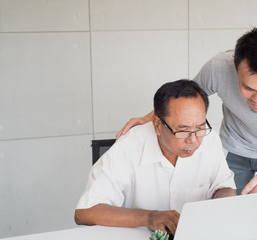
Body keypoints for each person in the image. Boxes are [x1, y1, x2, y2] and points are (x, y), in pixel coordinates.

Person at [116, 27, 257, 198]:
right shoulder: (219, 67)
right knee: (228, 215)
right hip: (233, 149)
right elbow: (184, 101)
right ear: (235, 66)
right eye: (249, 88)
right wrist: (150, 118)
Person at [75, 80, 236, 236]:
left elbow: (223, 186)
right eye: (183, 130)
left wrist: (221, 203)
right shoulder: (129, 146)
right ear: (158, 125)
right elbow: (85, 212)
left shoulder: (209, 139)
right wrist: (149, 217)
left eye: (200, 128)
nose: (193, 140)